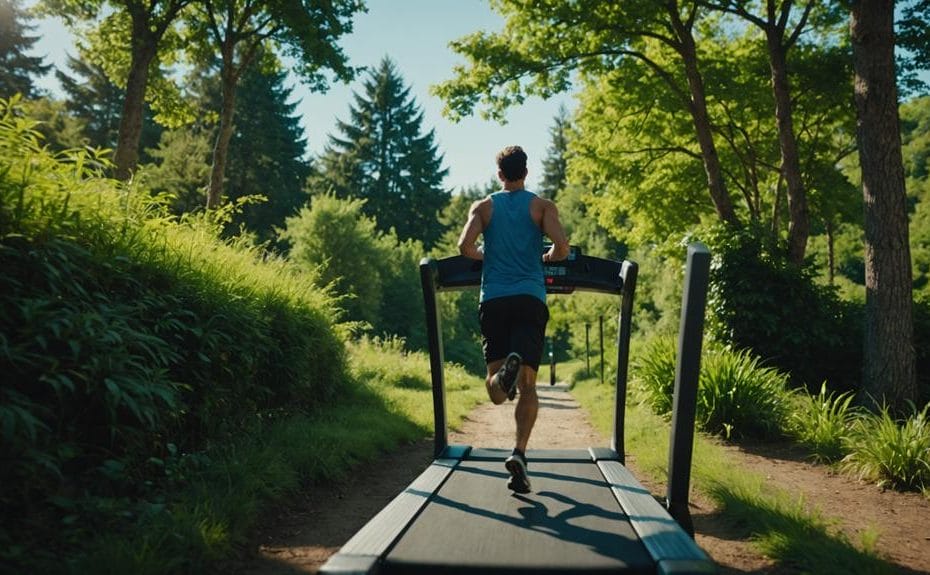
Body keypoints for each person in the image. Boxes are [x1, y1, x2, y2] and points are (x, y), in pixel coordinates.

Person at [457, 145, 570, 493]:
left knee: (495, 393)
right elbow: (562, 248)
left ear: (499, 174)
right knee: (529, 386)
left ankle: (503, 374)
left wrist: (486, 256)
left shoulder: (484, 206)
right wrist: (546, 256)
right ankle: (519, 453)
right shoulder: (541, 206)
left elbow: (464, 246)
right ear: (526, 171)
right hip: (529, 299)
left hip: (494, 300)